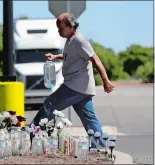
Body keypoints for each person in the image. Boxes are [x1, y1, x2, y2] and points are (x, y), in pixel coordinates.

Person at [29, 13, 115, 148]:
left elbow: (95, 59)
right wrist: (56, 56)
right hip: (82, 89)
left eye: (60, 28)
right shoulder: (70, 40)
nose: (58, 31)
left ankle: (31, 135)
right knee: (89, 118)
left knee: (49, 104)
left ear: (70, 26)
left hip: (75, 86)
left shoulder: (80, 41)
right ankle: (99, 146)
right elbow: (70, 56)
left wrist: (105, 80)